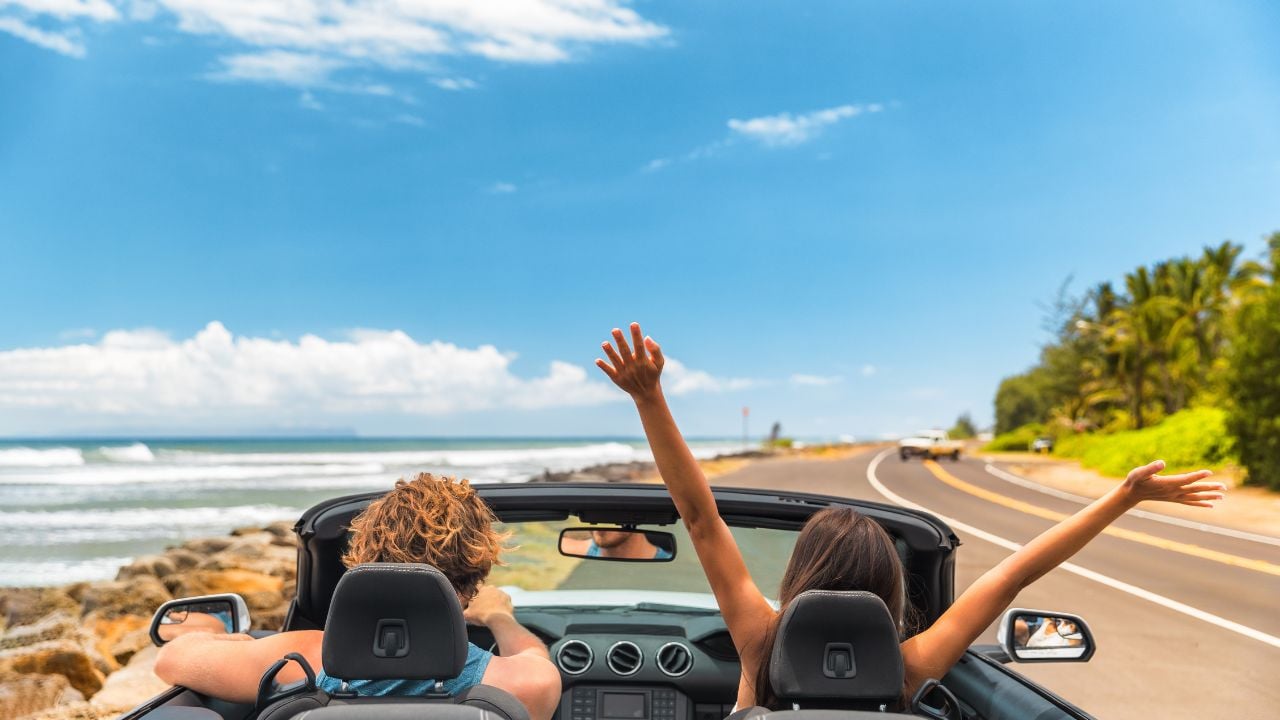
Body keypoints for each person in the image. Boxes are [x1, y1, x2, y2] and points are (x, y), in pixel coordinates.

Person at [595, 322, 1225, 709]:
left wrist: (649, 398)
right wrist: (1124, 498)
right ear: (891, 589)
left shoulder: (761, 642)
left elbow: (700, 518)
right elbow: (1013, 574)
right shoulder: (909, 667)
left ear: (800, 574)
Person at [154, 473, 562, 720]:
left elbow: (170, 659)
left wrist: (235, 639)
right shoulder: (525, 683)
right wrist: (499, 618)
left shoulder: (301, 659)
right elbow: (533, 658)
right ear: (475, 580)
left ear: (365, 560)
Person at [560, 528, 673, 560]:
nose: (599, 521)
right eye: (591, 515)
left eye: (613, 514)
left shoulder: (671, 567)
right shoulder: (570, 549)